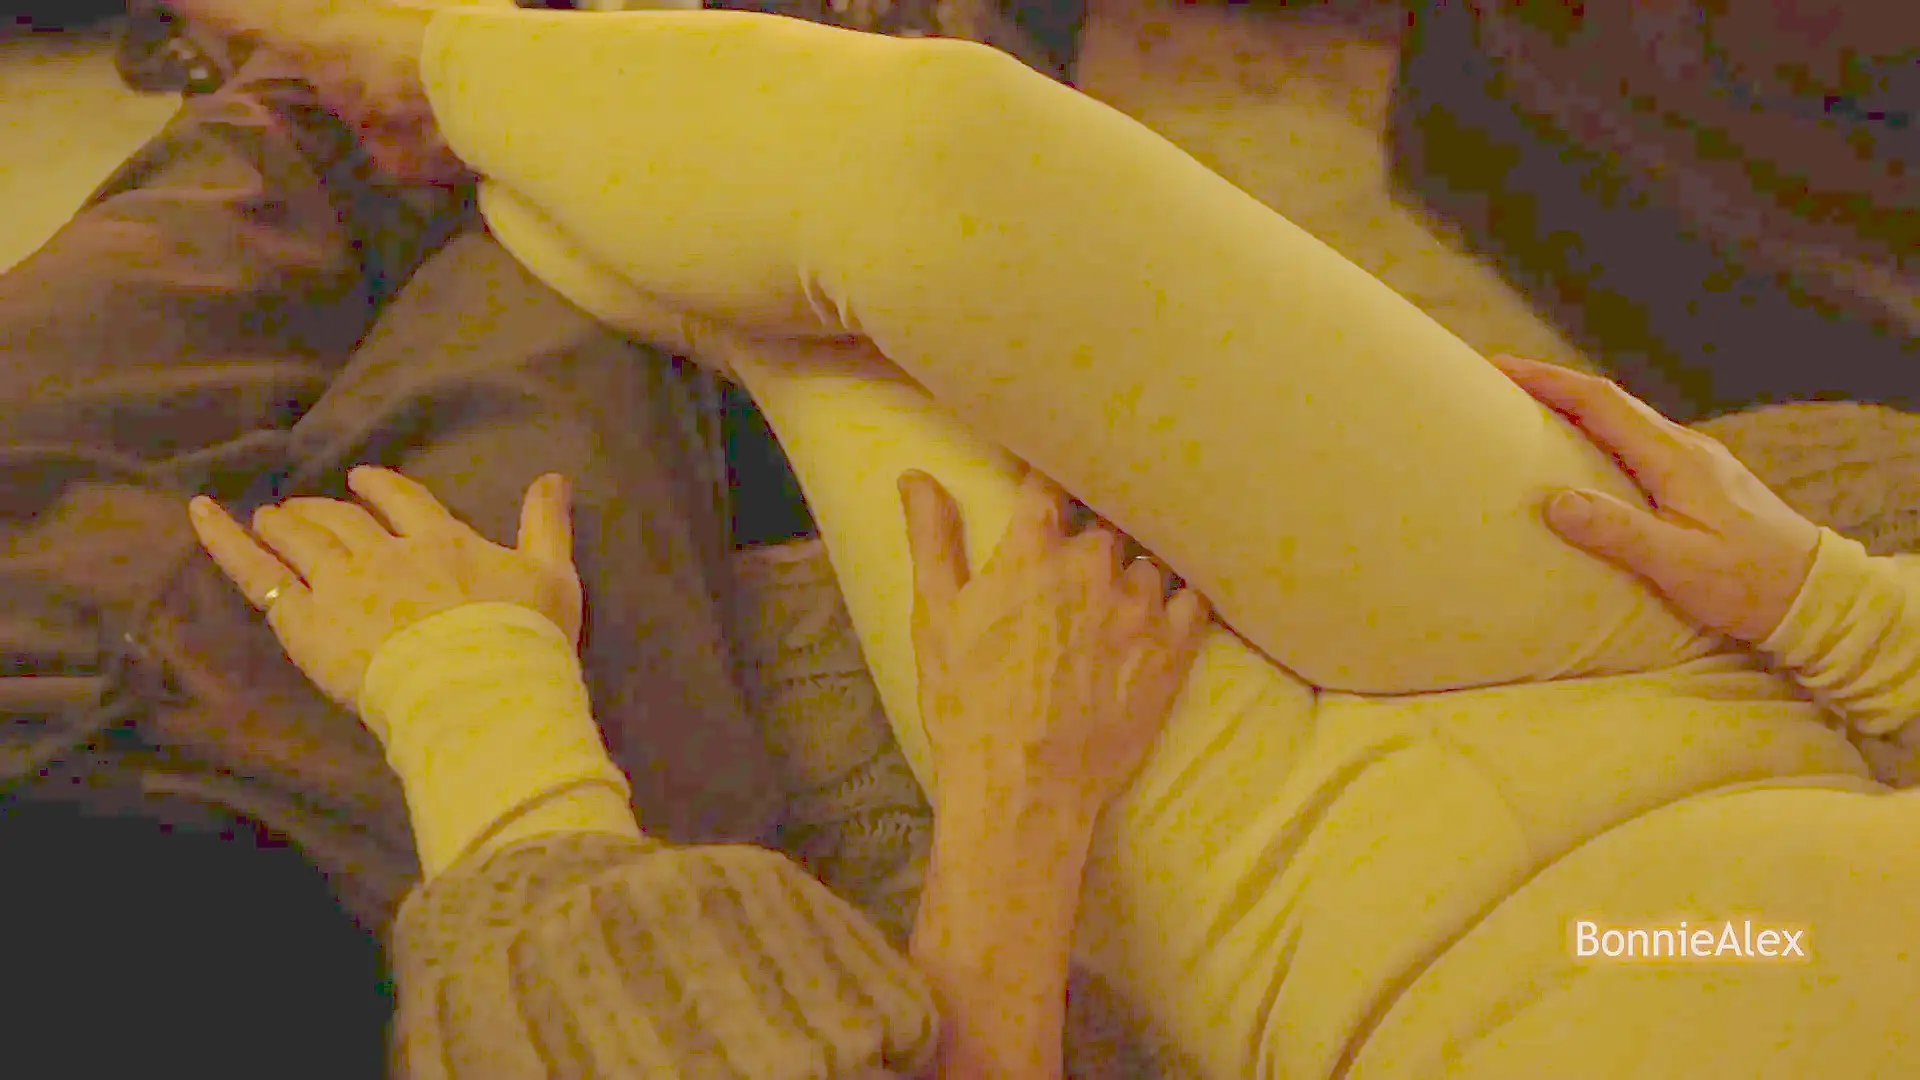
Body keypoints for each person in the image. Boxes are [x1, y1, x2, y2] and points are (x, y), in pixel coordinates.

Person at [169, 0, 1920, 1077]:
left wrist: (1017, 793)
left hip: (1296, 929)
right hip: (1661, 675)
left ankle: (451, 112)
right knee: (939, 149)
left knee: (796, 326)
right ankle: (437, 58)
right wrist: (1822, 606)